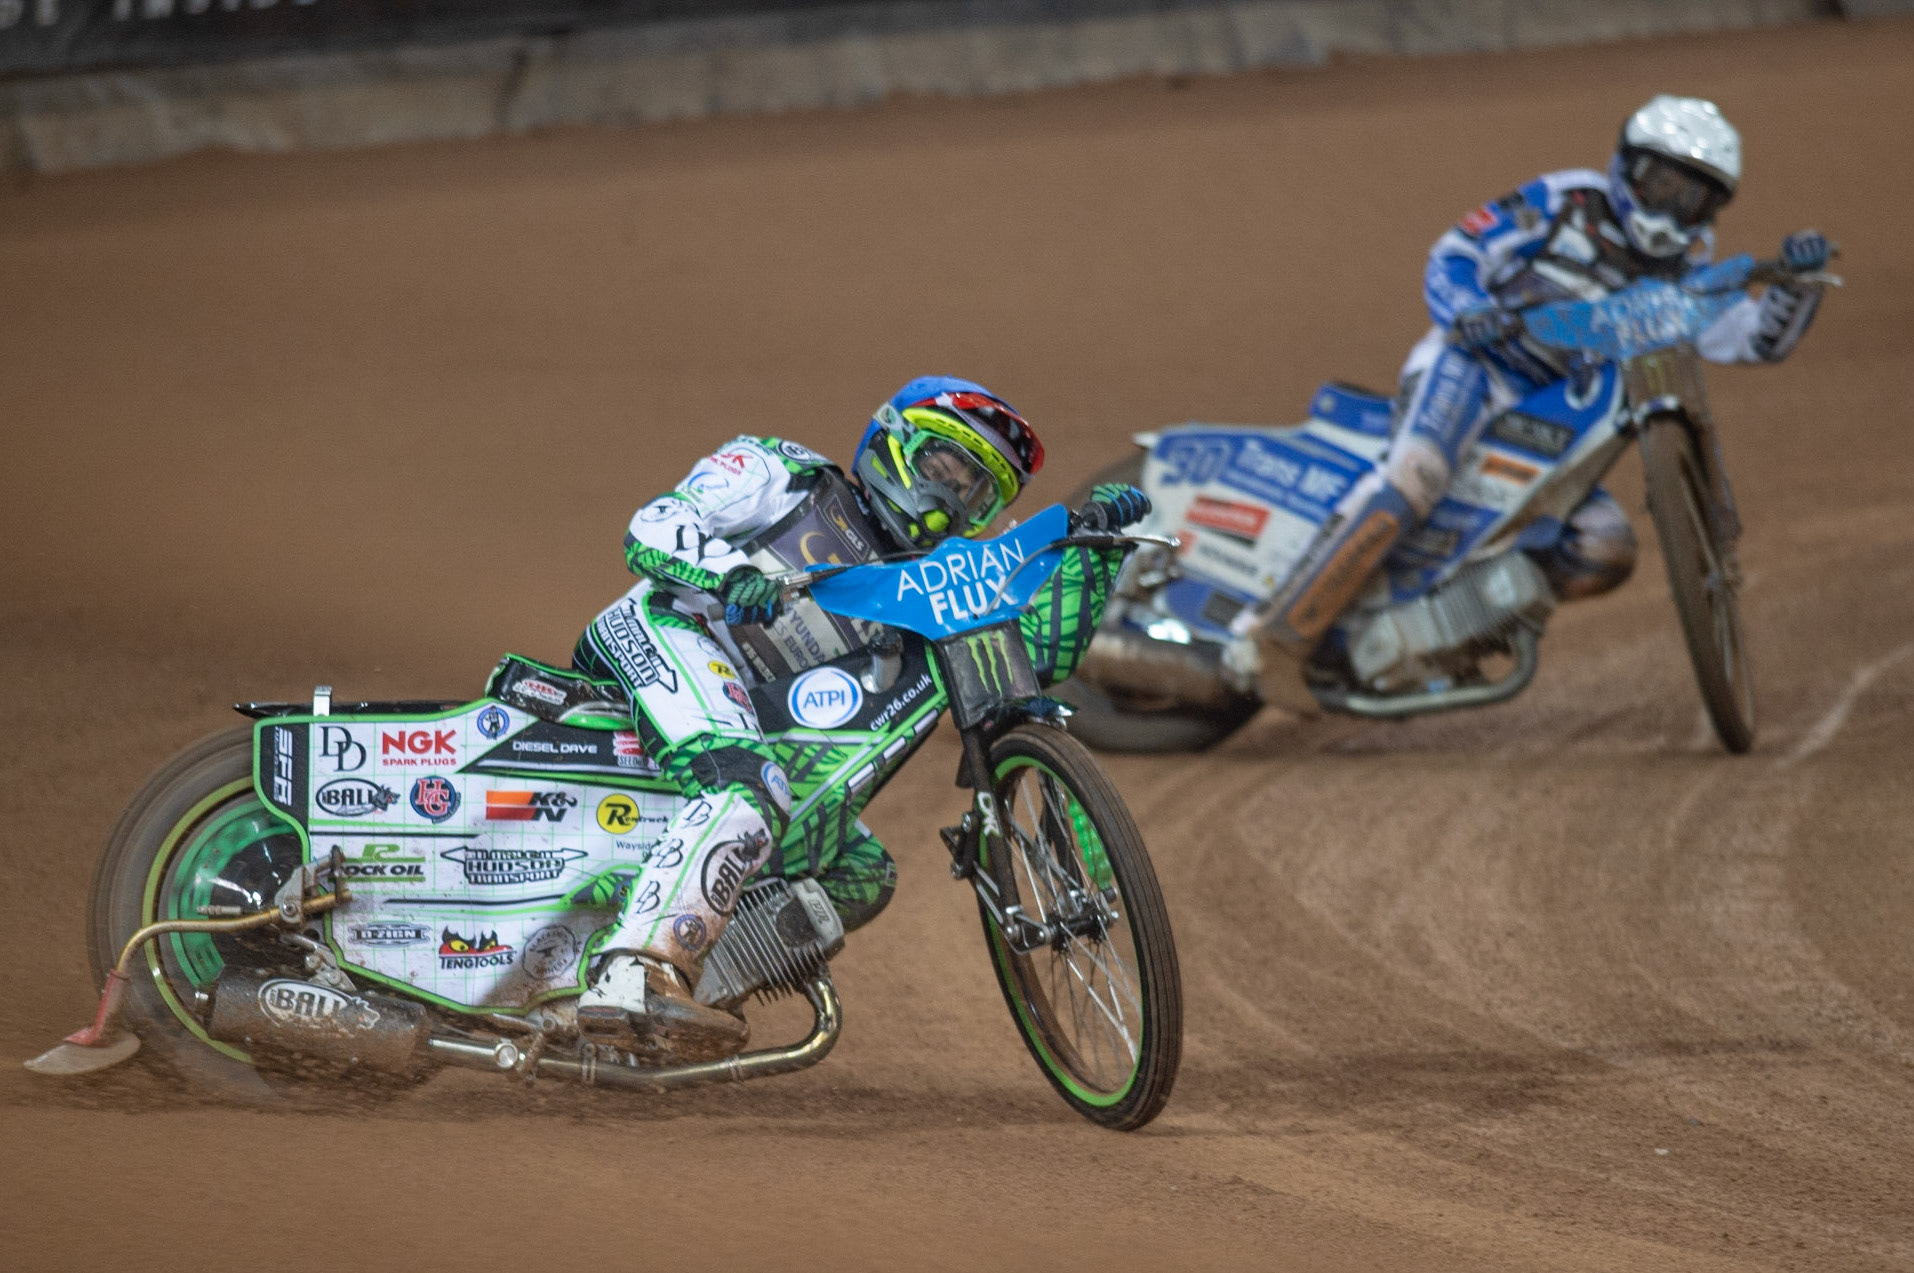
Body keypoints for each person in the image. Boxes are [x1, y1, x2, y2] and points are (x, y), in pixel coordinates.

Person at [567, 376, 1150, 1061]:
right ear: (894, 442)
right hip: (666, 634)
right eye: (945, 467)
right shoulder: (782, 472)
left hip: (749, 715)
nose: (951, 501)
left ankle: (649, 1024)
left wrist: (1094, 546)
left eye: (977, 492)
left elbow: (1039, 651)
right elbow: (658, 521)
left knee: (861, 871)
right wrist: (727, 576)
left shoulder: (925, 585)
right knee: (748, 786)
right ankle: (637, 972)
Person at [1238, 94, 1831, 656]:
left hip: (1557, 426)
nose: (1670, 211)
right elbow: (1455, 253)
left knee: (1604, 548)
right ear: (1628, 167)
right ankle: (1271, 635)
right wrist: (1471, 311)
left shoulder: (1688, 272)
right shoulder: (1564, 200)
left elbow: (1758, 339)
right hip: (1474, 369)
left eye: (1692, 201)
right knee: (1416, 475)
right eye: (1661, 186)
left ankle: (1445, 631)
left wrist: (1801, 284)